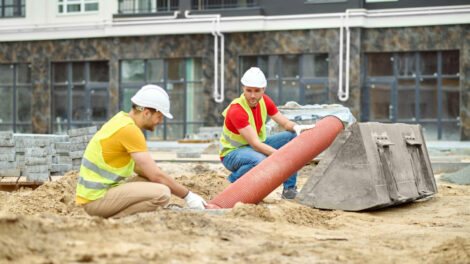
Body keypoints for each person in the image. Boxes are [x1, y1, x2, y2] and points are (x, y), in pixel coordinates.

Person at [76, 84, 207, 218]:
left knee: (151, 181)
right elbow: (157, 175)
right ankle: (116, 219)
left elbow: (144, 171)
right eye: (159, 116)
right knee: (161, 193)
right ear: (146, 113)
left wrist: (163, 179)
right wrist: (188, 196)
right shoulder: (130, 130)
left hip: (95, 196)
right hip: (94, 201)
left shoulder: (120, 120)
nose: (160, 121)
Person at [219, 67, 314, 199]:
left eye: (257, 91)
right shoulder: (237, 110)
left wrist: (297, 128)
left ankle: (289, 190)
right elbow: (256, 145)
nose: (252, 95)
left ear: (264, 89)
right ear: (243, 88)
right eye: (249, 90)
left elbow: (286, 124)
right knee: (261, 160)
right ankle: (231, 182)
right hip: (232, 153)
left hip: (253, 147)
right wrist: (281, 156)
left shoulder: (265, 101)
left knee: (292, 137)